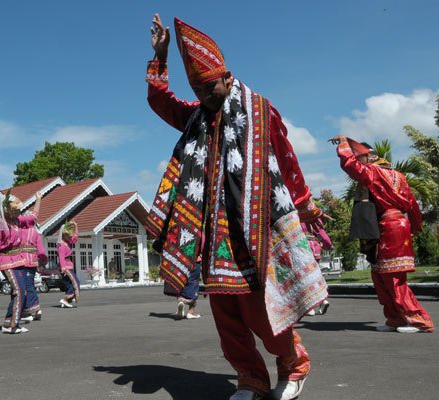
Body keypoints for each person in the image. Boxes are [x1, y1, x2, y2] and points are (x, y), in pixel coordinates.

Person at [146, 15, 329, 400]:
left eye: (209, 88)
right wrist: (160, 60)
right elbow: (161, 102)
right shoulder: (197, 115)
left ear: (227, 78)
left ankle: (294, 364)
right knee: (226, 316)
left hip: (254, 226)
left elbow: (286, 158)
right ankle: (251, 378)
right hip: (211, 232)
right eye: (198, 90)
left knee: (261, 310)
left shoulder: (260, 109)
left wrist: (306, 206)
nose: (204, 96)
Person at [331, 135, 434, 333]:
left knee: (392, 276)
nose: (358, 160)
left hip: (390, 225)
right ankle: (395, 318)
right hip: (395, 225)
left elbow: (351, 166)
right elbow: (412, 205)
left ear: (368, 158)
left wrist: (344, 143)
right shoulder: (399, 176)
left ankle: (418, 320)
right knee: (379, 274)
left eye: (359, 156)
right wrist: (415, 227)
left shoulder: (373, 173)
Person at [0, 191, 41, 333]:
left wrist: (38, 200)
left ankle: (11, 322)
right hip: (6, 261)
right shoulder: (0, 222)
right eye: (16, 211)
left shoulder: (17, 221)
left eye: (18, 211)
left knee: (22, 292)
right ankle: (10, 324)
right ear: (7, 210)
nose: (18, 213)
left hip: (19, 260)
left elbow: (32, 218)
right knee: (18, 291)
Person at [19, 204, 49, 322]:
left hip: (21, 261)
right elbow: (41, 250)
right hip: (32, 262)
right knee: (30, 285)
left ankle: (31, 309)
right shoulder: (35, 232)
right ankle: (34, 308)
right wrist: (43, 261)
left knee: (25, 287)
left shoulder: (19, 230)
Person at [301, 222, 332, 316]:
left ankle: (309, 307)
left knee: (304, 278)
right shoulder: (312, 217)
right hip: (315, 249)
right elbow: (321, 233)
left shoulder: (296, 217)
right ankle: (323, 300)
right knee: (315, 276)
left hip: (303, 248)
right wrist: (327, 245)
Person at [57, 221, 79, 308]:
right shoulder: (61, 245)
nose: (70, 237)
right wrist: (63, 268)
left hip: (69, 266)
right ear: (63, 235)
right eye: (68, 235)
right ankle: (67, 298)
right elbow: (61, 258)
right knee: (76, 282)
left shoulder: (68, 242)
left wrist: (75, 226)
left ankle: (67, 300)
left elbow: (75, 238)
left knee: (70, 284)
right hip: (65, 267)